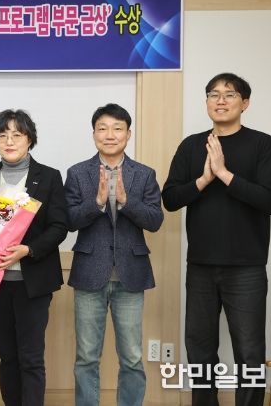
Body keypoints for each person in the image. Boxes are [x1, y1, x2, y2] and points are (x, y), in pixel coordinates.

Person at [162, 73, 271, 406]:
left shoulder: (264, 145)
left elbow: (269, 201)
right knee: (199, 350)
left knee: (249, 352)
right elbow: (170, 199)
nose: (220, 100)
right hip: (200, 265)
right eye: (213, 94)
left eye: (229, 94)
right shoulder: (191, 146)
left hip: (246, 268)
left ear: (245, 103)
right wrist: (204, 179)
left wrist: (225, 174)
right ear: (206, 102)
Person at [0, 109, 68, 406]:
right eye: (2, 135)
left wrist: (28, 250)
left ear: (29, 139)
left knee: (31, 358)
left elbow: (59, 226)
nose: (9, 141)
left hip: (32, 282)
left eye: (16, 135)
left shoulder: (48, 177)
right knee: (7, 356)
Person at [65, 103, 163, 406]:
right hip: (89, 272)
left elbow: (155, 221)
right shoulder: (77, 173)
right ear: (94, 133)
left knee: (132, 357)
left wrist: (125, 201)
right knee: (86, 357)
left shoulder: (144, 174)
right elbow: (69, 221)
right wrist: (96, 203)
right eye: (103, 128)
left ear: (128, 134)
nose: (110, 135)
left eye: (117, 128)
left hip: (130, 275)